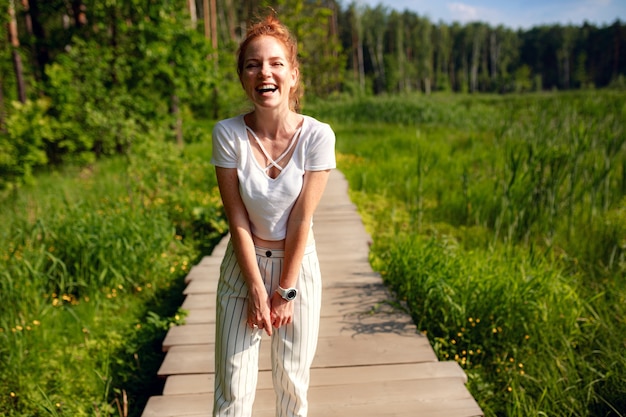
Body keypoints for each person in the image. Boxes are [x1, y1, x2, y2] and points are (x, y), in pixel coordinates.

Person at [210, 12, 336, 417]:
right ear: (243, 77)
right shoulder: (227, 134)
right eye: (253, 64)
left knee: (292, 386)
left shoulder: (317, 136)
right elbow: (237, 220)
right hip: (242, 266)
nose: (265, 71)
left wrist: (284, 291)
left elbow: (301, 219)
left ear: (293, 75)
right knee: (233, 390)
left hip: (297, 270)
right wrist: (254, 287)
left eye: (276, 63)